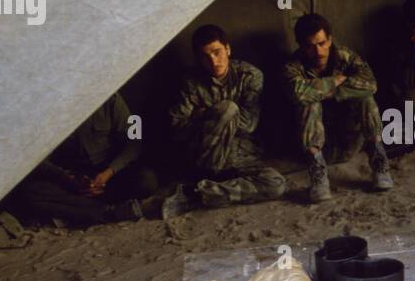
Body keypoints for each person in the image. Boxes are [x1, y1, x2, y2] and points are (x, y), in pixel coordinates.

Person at [164, 24, 285, 217]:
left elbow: (249, 125)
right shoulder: (190, 83)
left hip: (240, 154)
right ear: (197, 58)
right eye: (205, 56)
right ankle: (206, 180)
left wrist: (203, 114)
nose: (213, 61)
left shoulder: (249, 76)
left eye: (217, 52)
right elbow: (177, 128)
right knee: (228, 109)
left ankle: (197, 194)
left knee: (276, 184)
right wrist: (214, 117)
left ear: (228, 49)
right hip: (204, 155)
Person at [283, 12, 392, 202]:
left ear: (330, 39)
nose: (318, 51)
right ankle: (318, 177)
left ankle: (379, 162)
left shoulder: (345, 56)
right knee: (308, 103)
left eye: (322, 43)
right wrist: (336, 81)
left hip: (350, 139)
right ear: (301, 46)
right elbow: (298, 94)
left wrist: (329, 92)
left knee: (365, 98)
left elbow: (370, 85)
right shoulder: (293, 66)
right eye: (310, 46)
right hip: (314, 146)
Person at [16, 92, 155, 225]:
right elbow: (37, 157)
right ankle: (108, 212)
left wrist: (109, 172)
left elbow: (134, 142)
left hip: (109, 174)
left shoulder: (111, 99)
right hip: (72, 178)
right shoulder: (49, 108)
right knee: (29, 193)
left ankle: (75, 211)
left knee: (146, 181)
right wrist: (66, 178)